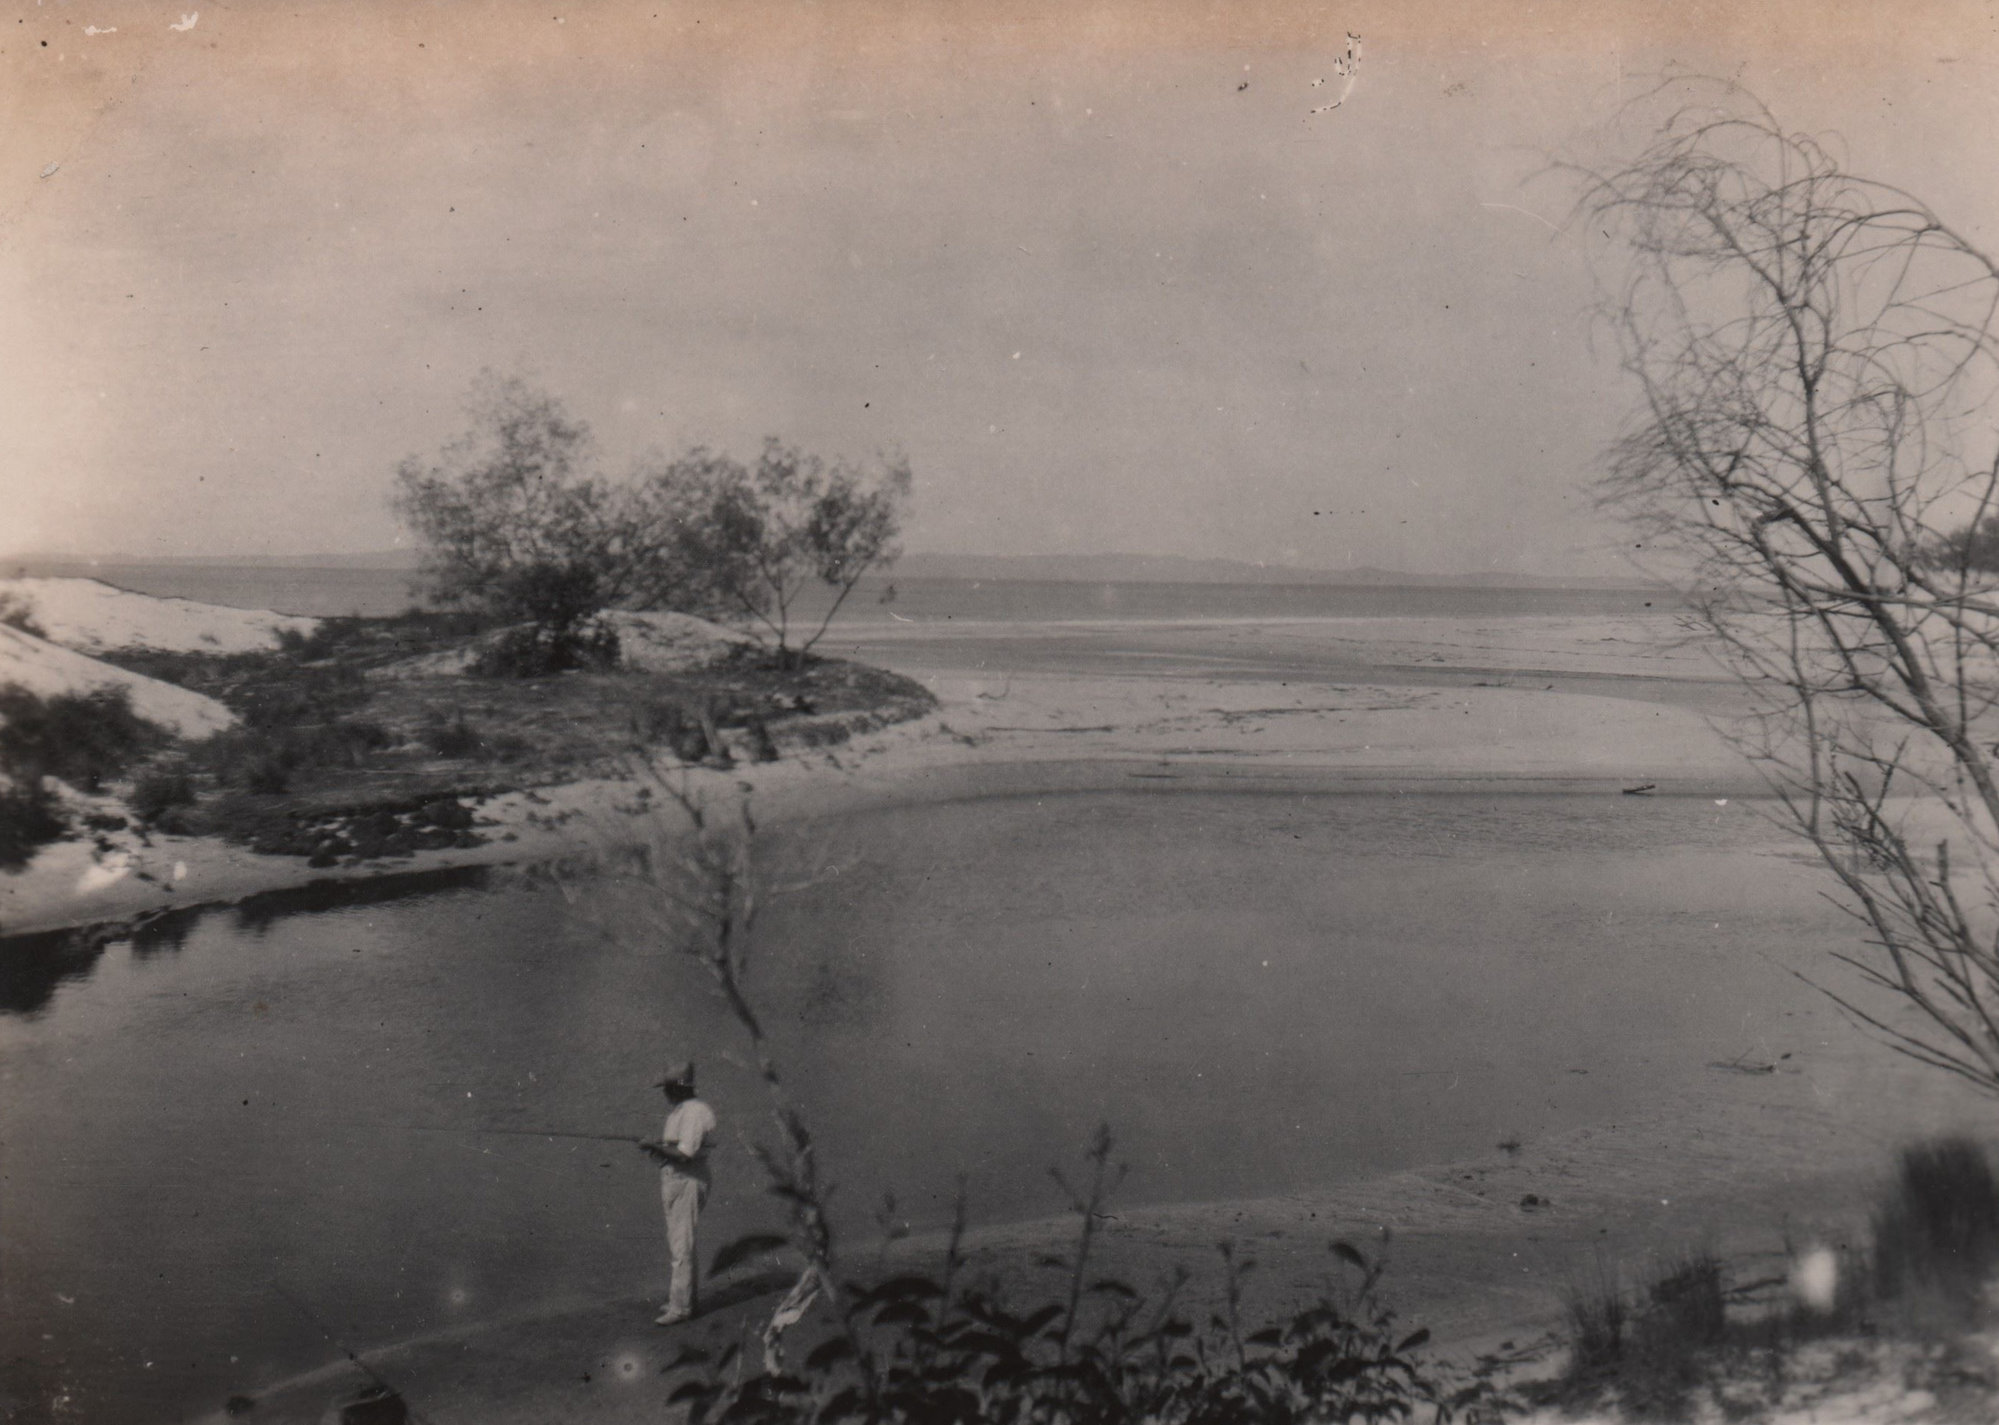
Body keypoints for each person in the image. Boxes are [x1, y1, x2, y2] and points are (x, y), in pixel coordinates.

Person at [639, 1060, 716, 1326]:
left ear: (680, 1088)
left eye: (668, 1087)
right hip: (677, 1180)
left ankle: (681, 1308)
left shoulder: (694, 1113)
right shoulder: (681, 1111)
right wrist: (656, 1147)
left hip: (688, 1181)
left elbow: (685, 1155)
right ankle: (683, 1299)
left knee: (681, 1245)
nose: (664, 1093)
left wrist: (654, 1146)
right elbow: (676, 1148)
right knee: (680, 1242)